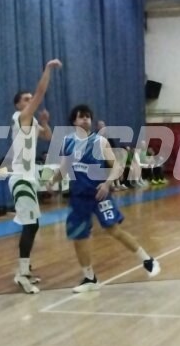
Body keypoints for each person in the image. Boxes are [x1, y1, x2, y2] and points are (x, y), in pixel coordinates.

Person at [60, 104, 160, 293]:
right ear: (74, 121)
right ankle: (89, 278)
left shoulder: (100, 142)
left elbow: (117, 167)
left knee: (113, 229)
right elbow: (64, 168)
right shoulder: (68, 142)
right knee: (79, 237)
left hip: (99, 194)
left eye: (88, 116)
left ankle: (147, 259)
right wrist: (51, 181)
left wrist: (107, 183)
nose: (85, 119)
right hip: (79, 196)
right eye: (81, 116)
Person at [8, 58, 61, 294]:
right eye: (26, 99)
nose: (31, 101)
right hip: (21, 178)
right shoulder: (19, 117)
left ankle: (25, 269)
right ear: (18, 105)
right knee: (30, 225)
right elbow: (41, 92)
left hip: (29, 178)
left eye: (30, 99)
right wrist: (48, 69)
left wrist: (46, 122)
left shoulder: (31, 121)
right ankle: (21, 273)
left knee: (33, 224)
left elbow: (47, 136)